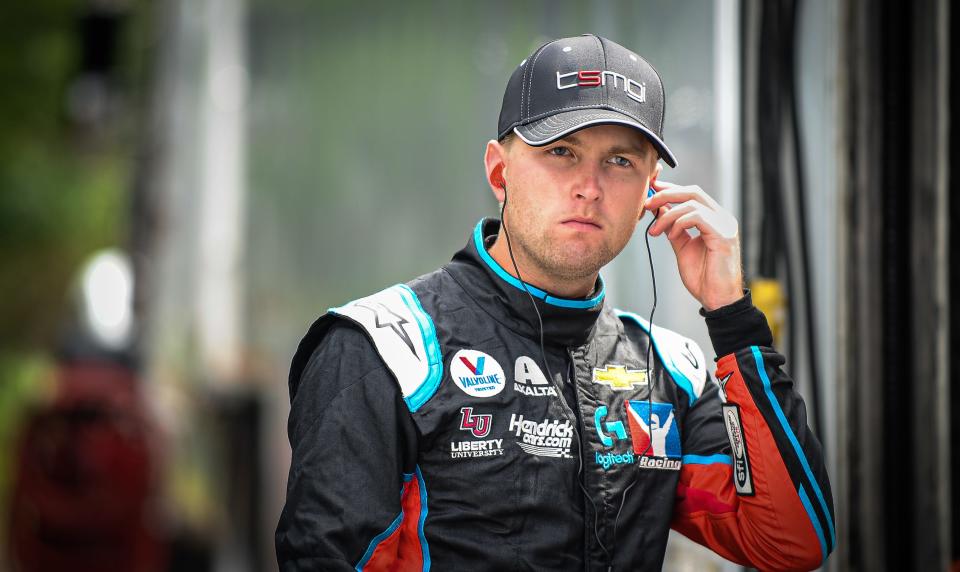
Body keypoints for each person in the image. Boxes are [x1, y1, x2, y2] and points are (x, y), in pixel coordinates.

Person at [276, 34, 835, 571]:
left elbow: (791, 542)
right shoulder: (384, 347)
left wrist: (733, 318)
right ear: (500, 171)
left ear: (651, 191)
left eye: (620, 161)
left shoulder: (669, 370)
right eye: (561, 151)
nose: (588, 186)